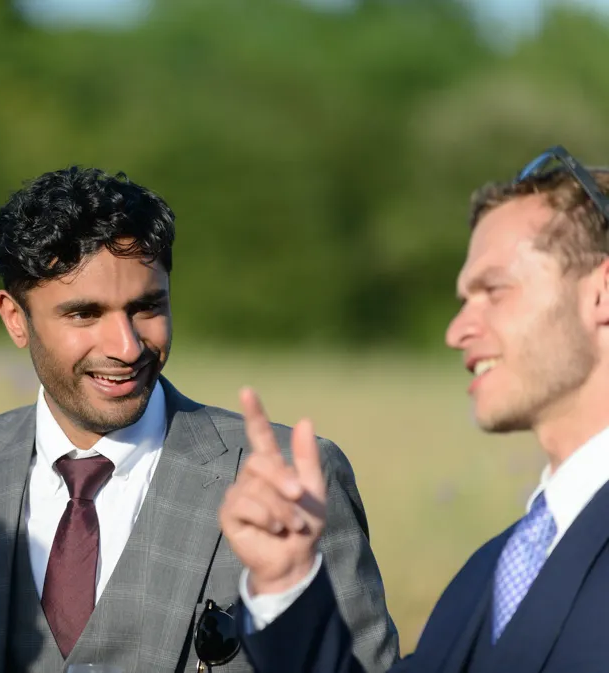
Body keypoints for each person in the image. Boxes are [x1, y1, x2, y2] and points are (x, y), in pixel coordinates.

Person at [0, 166, 400, 673]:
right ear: (15, 318)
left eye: (146, 307)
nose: (127, 347)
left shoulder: (285, 476)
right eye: (85, 314)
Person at [220, 145, 609, 673]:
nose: (456, 332)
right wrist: (286, 582)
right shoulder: (490, 574)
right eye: (462, 300)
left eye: (493, 290)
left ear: (601, 293)